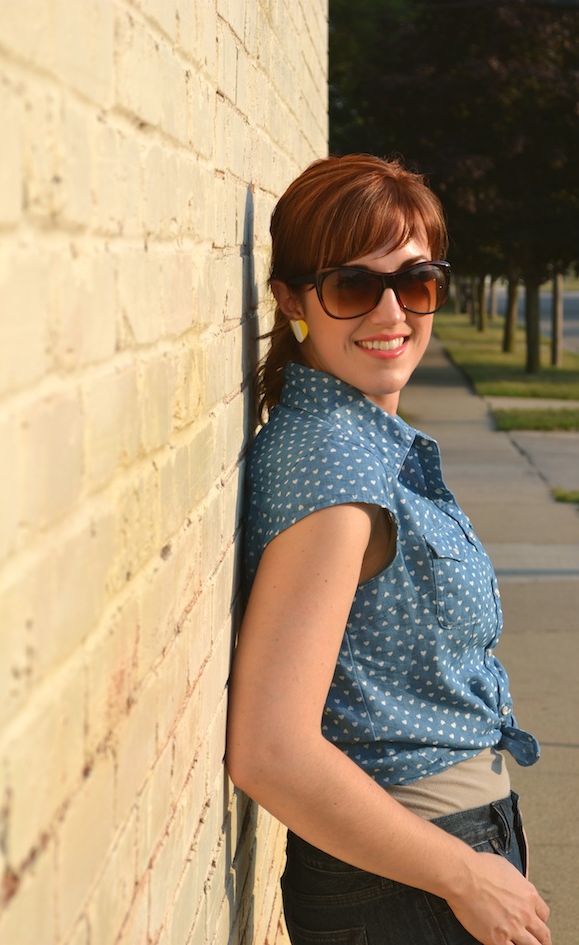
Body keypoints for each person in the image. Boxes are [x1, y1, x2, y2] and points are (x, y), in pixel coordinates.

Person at [226, 154, 552, 945]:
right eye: (352, 286)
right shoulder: (338, 474)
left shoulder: (354, 440)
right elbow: (269, 749)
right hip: (411, 883)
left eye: (416, 282)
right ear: (293, 300)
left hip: (422, 866)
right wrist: (463, 873)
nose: (391, 311)